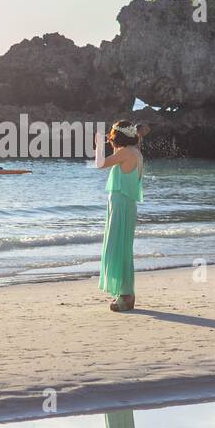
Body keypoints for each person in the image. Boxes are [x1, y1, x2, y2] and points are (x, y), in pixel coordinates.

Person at [94, 119, 149, 312]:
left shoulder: (125, 153)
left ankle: (125, 296)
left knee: (118, 248)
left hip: (120, 205)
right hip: (126, 204)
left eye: (112, 136)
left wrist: (99, 144)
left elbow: (100, 164)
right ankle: (126, 294)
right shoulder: (135, 152)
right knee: (123, 248)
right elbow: (124, 149)